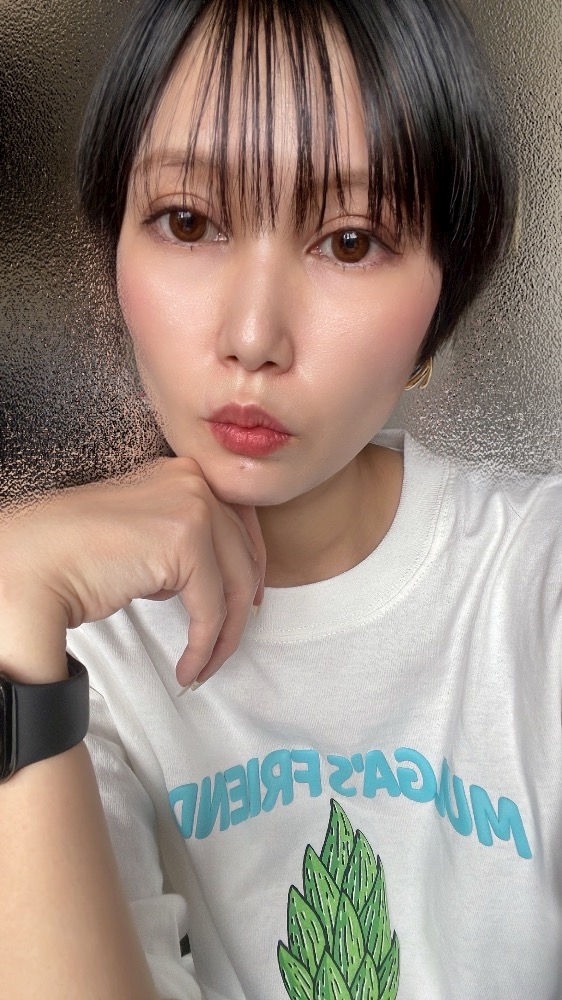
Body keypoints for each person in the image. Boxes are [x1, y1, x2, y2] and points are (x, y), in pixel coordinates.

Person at [0, 0, 560, 997]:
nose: (254, 335)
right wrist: (10, 593)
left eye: (348, 241)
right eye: (188, 222)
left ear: (445, 295)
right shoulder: (71, 651)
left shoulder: (536, 583)